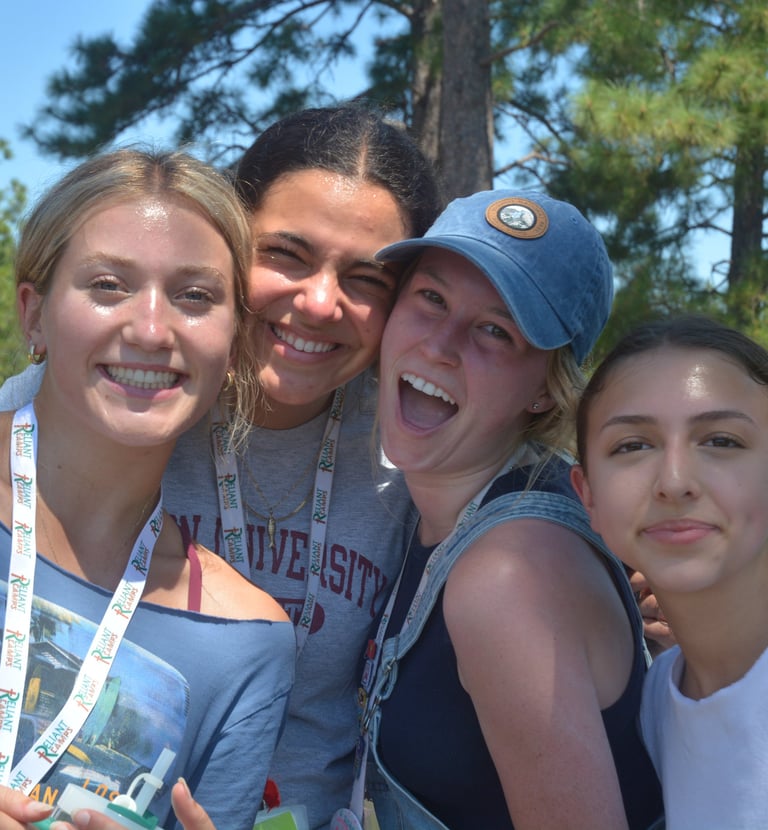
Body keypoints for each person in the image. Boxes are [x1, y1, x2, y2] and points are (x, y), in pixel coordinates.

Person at [0, 104, 442, 830]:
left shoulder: (411, 446)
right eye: (288, 255)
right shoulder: (125, 392)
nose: (321, 302)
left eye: (366, 279)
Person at [344, 190, 663, 830]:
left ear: (546, 390)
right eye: (430, 298)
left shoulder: (508, 578)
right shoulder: (437, 508)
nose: (441, 344)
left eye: (496, 331)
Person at [0, 148, 295, 830]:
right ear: (33, 314)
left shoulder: (247, 640)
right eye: (108, 284)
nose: (152, 329)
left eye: (195, 296)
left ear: (232, 345)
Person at [572, 314, 768, 829]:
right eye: (632, 445)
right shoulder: (659, 700)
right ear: (586, 494)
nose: (674, 482)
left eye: (721, 441)